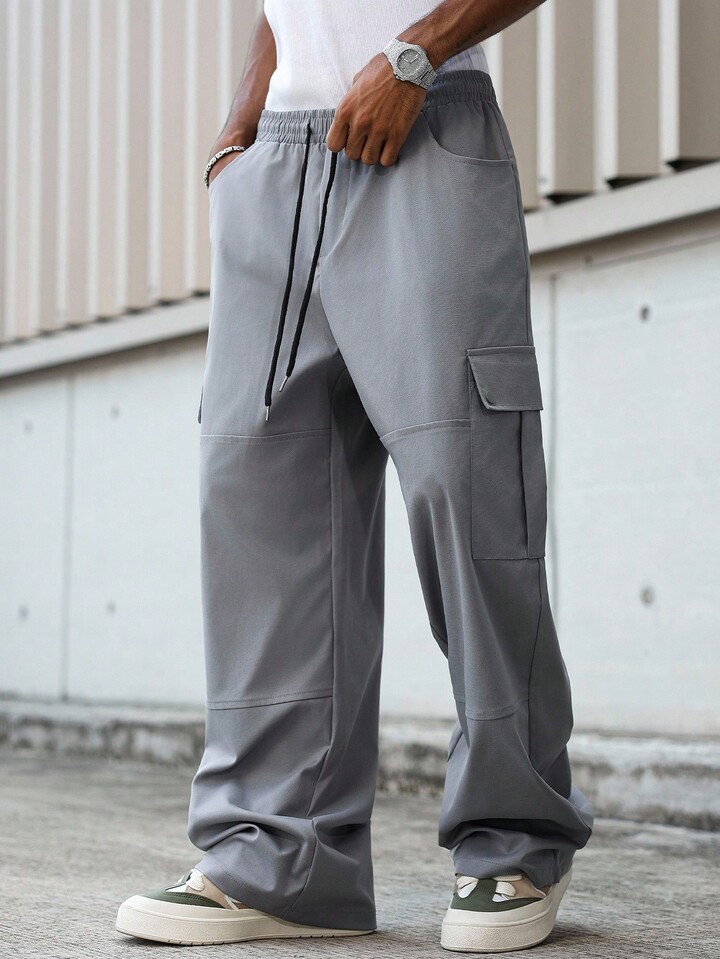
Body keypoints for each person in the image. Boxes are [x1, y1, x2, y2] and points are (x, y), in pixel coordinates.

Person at [116, 0, 594, 951]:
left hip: (424, 124)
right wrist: (242, 120)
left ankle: (517, 838)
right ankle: (280, 858)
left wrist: (417, 54)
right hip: (276, 164)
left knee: (464, 485)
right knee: (262, 505)